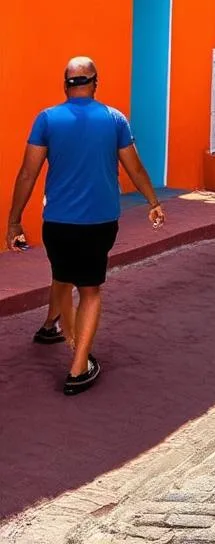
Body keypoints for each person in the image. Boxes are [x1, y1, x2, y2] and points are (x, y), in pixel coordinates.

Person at [5, 57, 165, 395]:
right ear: (95, 83)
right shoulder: (114, 119)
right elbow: (134, 169)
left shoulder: (47, 119)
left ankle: (53, 326)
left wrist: (14, 221)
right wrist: (153, 201)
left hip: (58, 222)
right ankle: (78, 366)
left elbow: (27, 173)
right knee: (89, 290)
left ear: (66, 85)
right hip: (99, 221)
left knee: (62, 274)